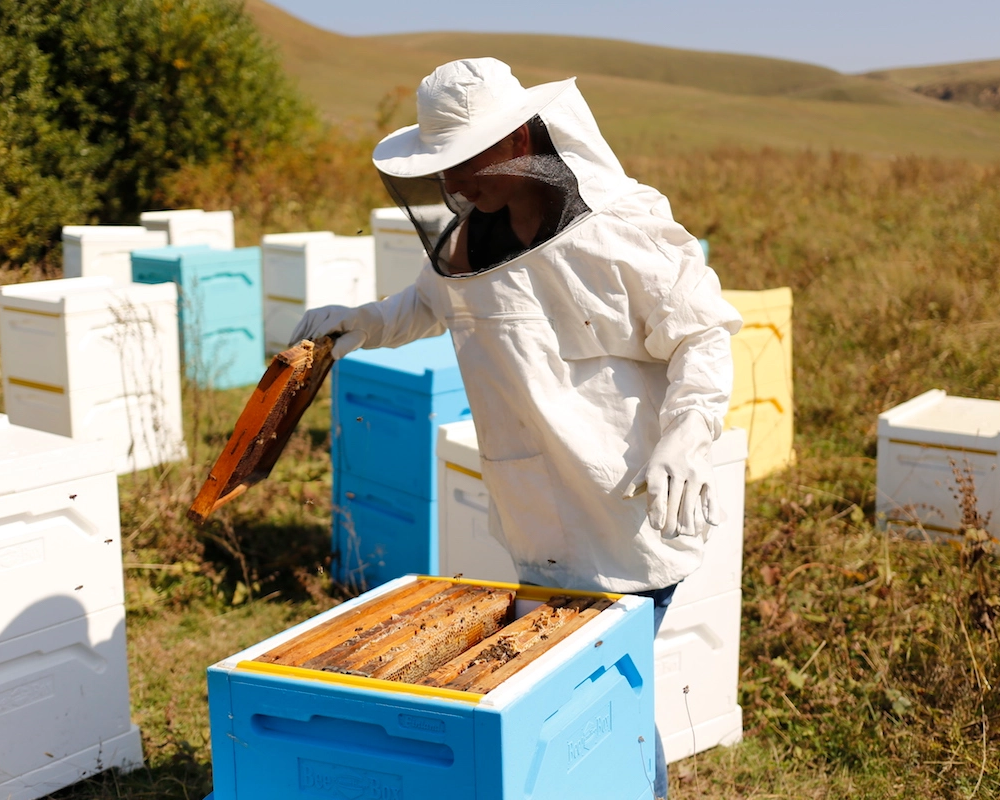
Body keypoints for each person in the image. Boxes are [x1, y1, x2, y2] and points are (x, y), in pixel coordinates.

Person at [292, 57, 741, 798]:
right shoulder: (476, 236)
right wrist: (360, 322)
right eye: (445, 167)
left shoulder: (620, 231)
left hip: (628, 511)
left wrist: (687, 434)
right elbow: (429, 306)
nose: (456, 183)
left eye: (467, 160)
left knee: (601, 689)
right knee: (577, 690)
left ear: (517, 140)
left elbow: (703, 335)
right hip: (540, 511)